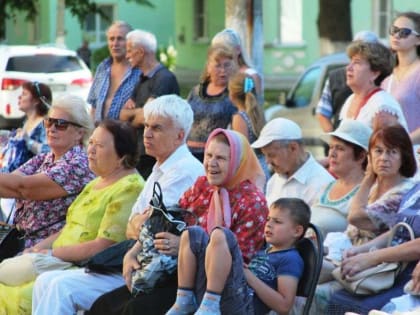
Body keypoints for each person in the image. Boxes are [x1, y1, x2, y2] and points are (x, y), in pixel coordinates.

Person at [31, 94, 204, 315]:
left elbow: (150, 228)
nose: (147, 133)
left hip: (154, 273)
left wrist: (140, 223)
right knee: (46, 281)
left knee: (59, 286)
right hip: (135, 262)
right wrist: (140, 223)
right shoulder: (161, 167)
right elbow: (132, 225)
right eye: (147, 126)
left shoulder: (183, 171)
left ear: (179, 135)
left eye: (157, 128)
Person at [87, 128, 268, 315]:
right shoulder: (203, 185)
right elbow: (167, 220)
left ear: (238, 163)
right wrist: (133, 252)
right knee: (104, 305)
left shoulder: (252, 202)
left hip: (215, 289)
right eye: (208, 155)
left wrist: (184, 246)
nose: (211, 164)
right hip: (176, 273)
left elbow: (239, 262)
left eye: (221, 158)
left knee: (136, 310)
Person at [0, 119, 145, 315]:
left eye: (99, 145)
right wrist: (38, 248)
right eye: (91, 143)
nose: (91, 150)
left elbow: (104, 245)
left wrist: (53, 254)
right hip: (58, 259)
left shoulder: (130, 187)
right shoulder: (97, 182)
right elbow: (68, 227)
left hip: (84, 266)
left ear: (122, 156)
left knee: (21, 293)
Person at [166, 197, 310, 315]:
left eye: (277, 222)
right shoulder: (264, 252)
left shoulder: (290, 258)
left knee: (221, 234)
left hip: (245, 308)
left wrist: (249, 276)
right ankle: (184, 300)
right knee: (192, 233)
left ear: (297, 231)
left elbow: (284, 306)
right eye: (268, 220)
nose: (269, 225)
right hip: (227, 296)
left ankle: (211, 304)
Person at [0, 94, 95, 248]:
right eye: (49, 122)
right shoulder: (45, 158)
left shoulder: (78, 163)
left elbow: (23, 188)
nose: (52, 128)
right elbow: (9, 184)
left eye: (61, 124)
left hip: (49, 247)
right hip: (22, 239)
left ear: (80, 133)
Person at [326, 183, 420, 314]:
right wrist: (362, 249)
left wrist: (372, 257)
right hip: (390, 267)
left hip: (410, 273)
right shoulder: (416, 187)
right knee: (338, 299)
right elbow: (400, 229)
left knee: (369, 308)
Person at [119, 29, 180, 179]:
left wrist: (136, 114)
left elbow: (148, 117)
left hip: (154, 157)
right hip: (141, 152)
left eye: (129, 51)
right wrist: (139, 113)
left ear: (140, 52)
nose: (127, 56)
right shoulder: (141, 79)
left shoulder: (164, 79)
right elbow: (122, 115)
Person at [347, 124, 418, 234]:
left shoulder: (404, 193)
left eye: (392, 152)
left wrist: (368, 178)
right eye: (378, 151)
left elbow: (354, 217)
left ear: (404, 158)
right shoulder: (372, 188)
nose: (383, 158)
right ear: (369, 156)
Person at [251, 117, 334, 207]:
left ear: (293, 148)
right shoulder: (274, 180)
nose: (267, 161)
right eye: (265, 155)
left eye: (272, 155)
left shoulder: (322, 184)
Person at [0, 81, 52, 221]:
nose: (19, 98)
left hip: (22, 186)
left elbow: (48, 152)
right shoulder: (26, 122)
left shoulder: (43, 124)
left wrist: (28, 141)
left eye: (23, 94)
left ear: (35, 100)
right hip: (9, 183)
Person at [311, 119, 371, 237]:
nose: (332, 154)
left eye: (340, 148)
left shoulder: (368, 193)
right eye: (331, 147)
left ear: (361, 156)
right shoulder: (326, 186)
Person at [316, 30, 379, 132]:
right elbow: (322, 113)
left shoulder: (384, 77)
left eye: (366, 48)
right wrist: (334, 140)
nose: (362, 51)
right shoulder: (335, 77)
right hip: (341, 137)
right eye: (358, 47)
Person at [339, 40, 408, 131]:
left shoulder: (382, 106)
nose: (348, 68)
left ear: (375, 73)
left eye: (357, 62)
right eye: (350, 62)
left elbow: (387, 145)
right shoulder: (350, 100)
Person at [187, 44, 238, 162]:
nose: (223, 71)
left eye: (227, 65)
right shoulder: (196, 91)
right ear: (208, 67)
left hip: (215, 156)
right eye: (218, 66)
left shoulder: (234, 94)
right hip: (189, 153)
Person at [88, 21, 140, 124]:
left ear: (131, 42)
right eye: (111, 39)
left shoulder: (139, 72)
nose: (115, 44)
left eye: (120, 39)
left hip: (126, 137)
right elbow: (94, 107)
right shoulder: (102, 68)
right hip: (100, 135)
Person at [381, 12, 420, 144]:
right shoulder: (387, 78)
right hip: (392, 156)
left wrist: (403, 143)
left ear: (418, 40)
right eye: (394, 30)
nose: (396, 35)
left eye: (404, 32)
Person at [228, 71, 269, 181]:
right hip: (263, 166)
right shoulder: (258, 113)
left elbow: (242, 151)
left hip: (250, 171)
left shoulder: (239, 118)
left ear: (231, 95)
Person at [211, 28, 263, 104]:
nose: (220, 54)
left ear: (238, 50)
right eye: (216, 50)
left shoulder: (250, 76)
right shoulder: (216, 73)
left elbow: (253, 108)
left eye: (225, 49)